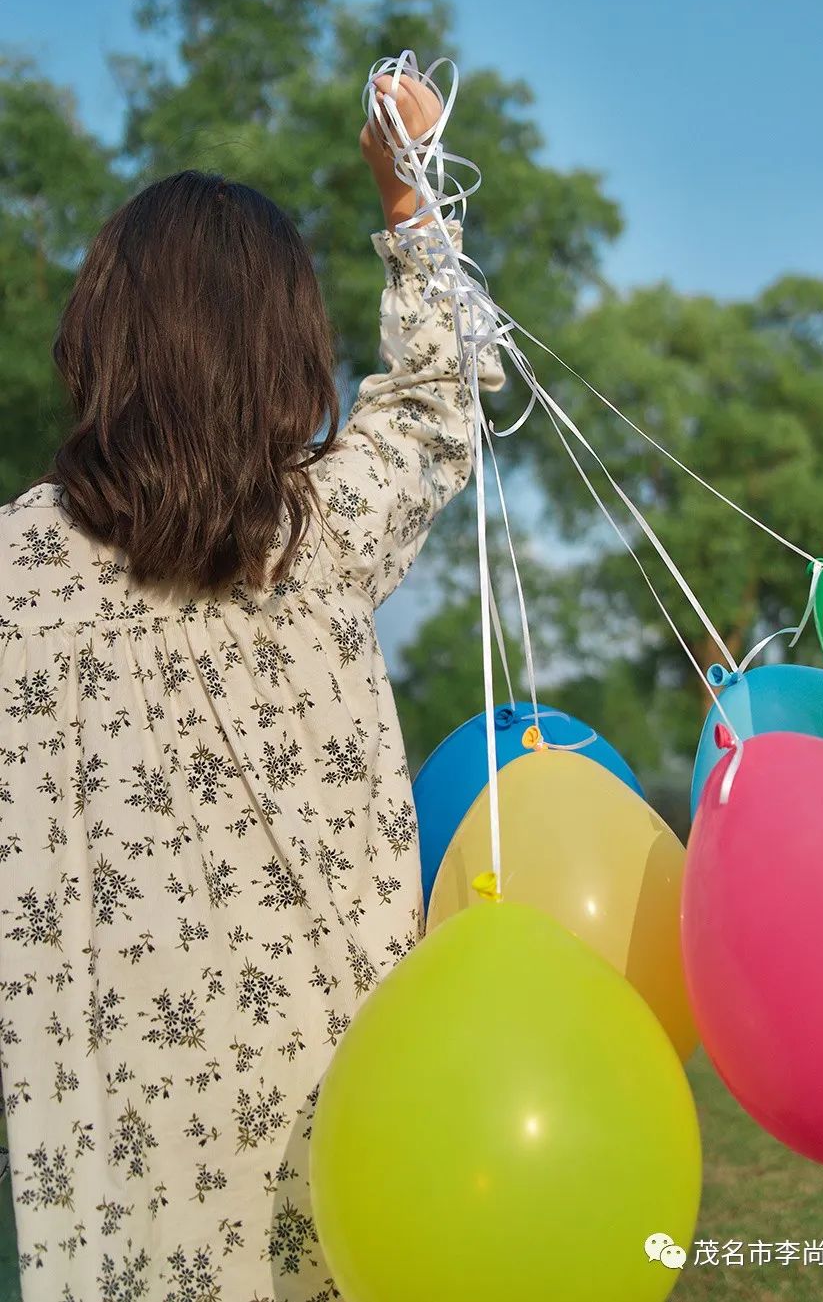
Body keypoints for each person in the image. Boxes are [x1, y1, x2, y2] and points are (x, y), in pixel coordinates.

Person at [0, 71, 502, 1300]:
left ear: (94, 343)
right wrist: (407, 198)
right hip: (339, 1151)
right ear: (289, 356)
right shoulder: (320, 539)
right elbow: (447, 397)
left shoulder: (10, 573)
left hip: (97, 1187)